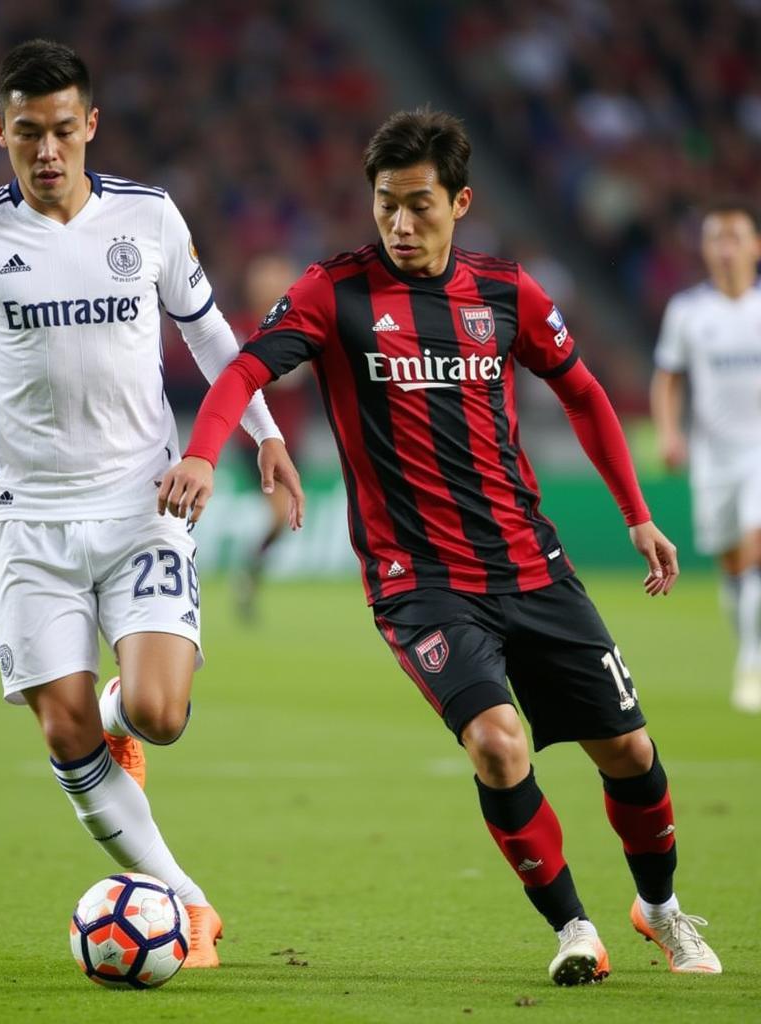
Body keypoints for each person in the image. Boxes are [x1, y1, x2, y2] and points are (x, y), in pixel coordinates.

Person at [158, 108, 722, 985]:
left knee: (631, 755)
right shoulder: (333, 292)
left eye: (420, 205)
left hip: (533, 565)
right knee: (498, 744)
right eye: (385, 204)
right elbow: (241, 369)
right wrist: (203, 450)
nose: (400, 224)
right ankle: (573, 925)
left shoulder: (507, 294)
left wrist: (637, 512)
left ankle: (661, 909)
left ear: (461, 201)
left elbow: (585, 394)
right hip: (418, 582)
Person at [0, 38, 302, 968]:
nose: (47, 151)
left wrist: (263, 432)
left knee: (155, 712)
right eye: (26, 133)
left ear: (90, 126)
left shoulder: (147, 220)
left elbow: (212, 333)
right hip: (26, 519)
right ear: (0, 132)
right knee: (64, 730)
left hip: (141, 499)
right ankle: (187, 904)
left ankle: (121, 715)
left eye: (63, 131)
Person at [651, 200, 761, 714]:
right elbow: (668, 377)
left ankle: (753, 663)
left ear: (755, 247)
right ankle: (748, 647)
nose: (726, 247)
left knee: (756, 548)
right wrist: (670, 434)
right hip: (713, 458)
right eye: (716, 237)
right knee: (732, 563)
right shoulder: (688, 311)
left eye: (735, 237)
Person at [229, 253, 314, 621]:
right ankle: (247, 574)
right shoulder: (242, 328)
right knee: (281, 514)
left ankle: (249, 574)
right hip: (256, 442)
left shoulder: (301, 325)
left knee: (284, 517)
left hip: (292, 440)